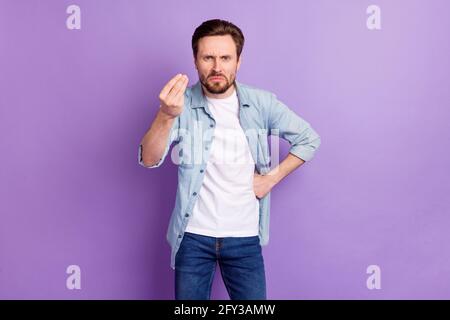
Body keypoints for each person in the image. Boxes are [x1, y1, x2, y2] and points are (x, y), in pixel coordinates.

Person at [138, 19, 321, 300]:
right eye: (208, 57)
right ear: (196, 60)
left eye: (225, 58)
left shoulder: (262, 103)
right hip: (192, 237)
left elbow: (309, 139)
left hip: (245, 237)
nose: (216, 67)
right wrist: (166, 114)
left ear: (238, 61)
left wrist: (270, 179)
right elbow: (149, 159)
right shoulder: (181, 104)